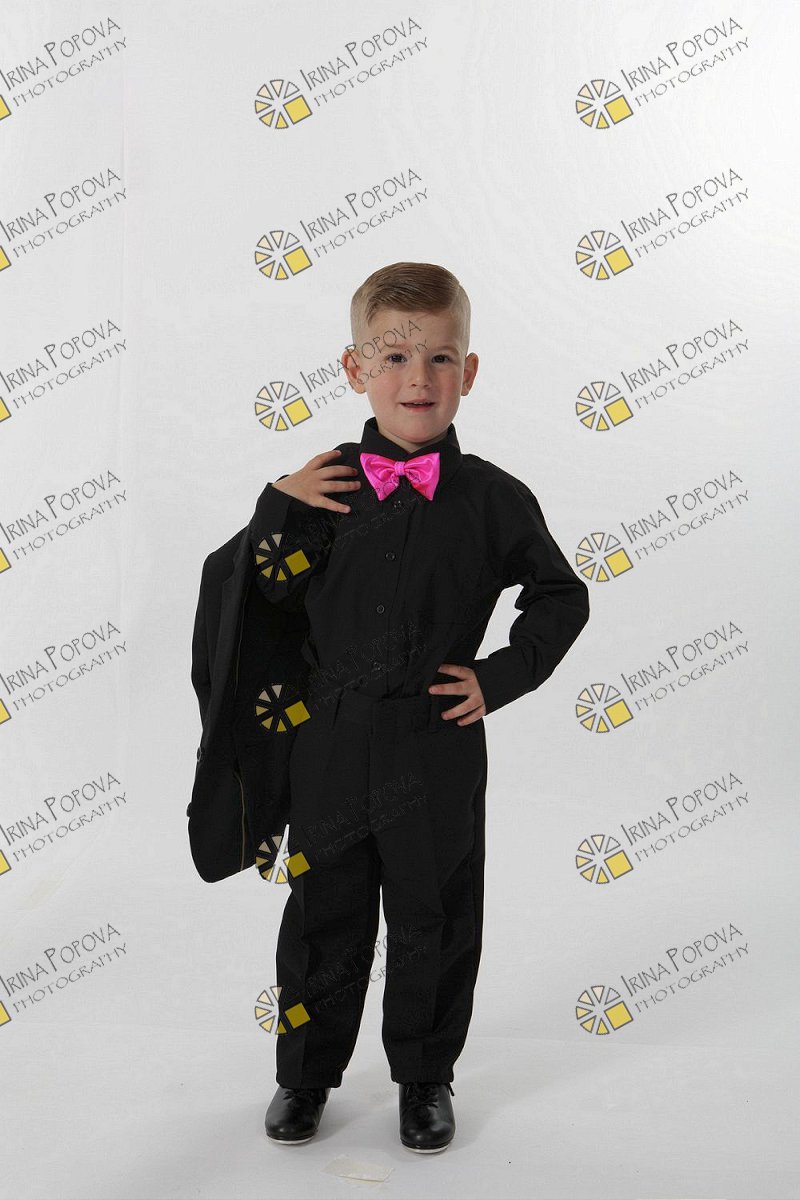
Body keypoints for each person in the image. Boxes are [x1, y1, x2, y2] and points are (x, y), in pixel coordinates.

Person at [248, 261, 590, 1153]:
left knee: (434, 909)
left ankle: (425, 1076)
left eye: (441, 358)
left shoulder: (494, 498)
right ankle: (304, 1074)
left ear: (467, 372)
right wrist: (274, 509)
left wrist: (499, 677)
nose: (418, 378)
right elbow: (256, 599)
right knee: (322, 912)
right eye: (394, 356)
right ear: (355, 367)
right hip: (330, 736)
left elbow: (561, 595)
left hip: (435, 738)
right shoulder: (316, 487)